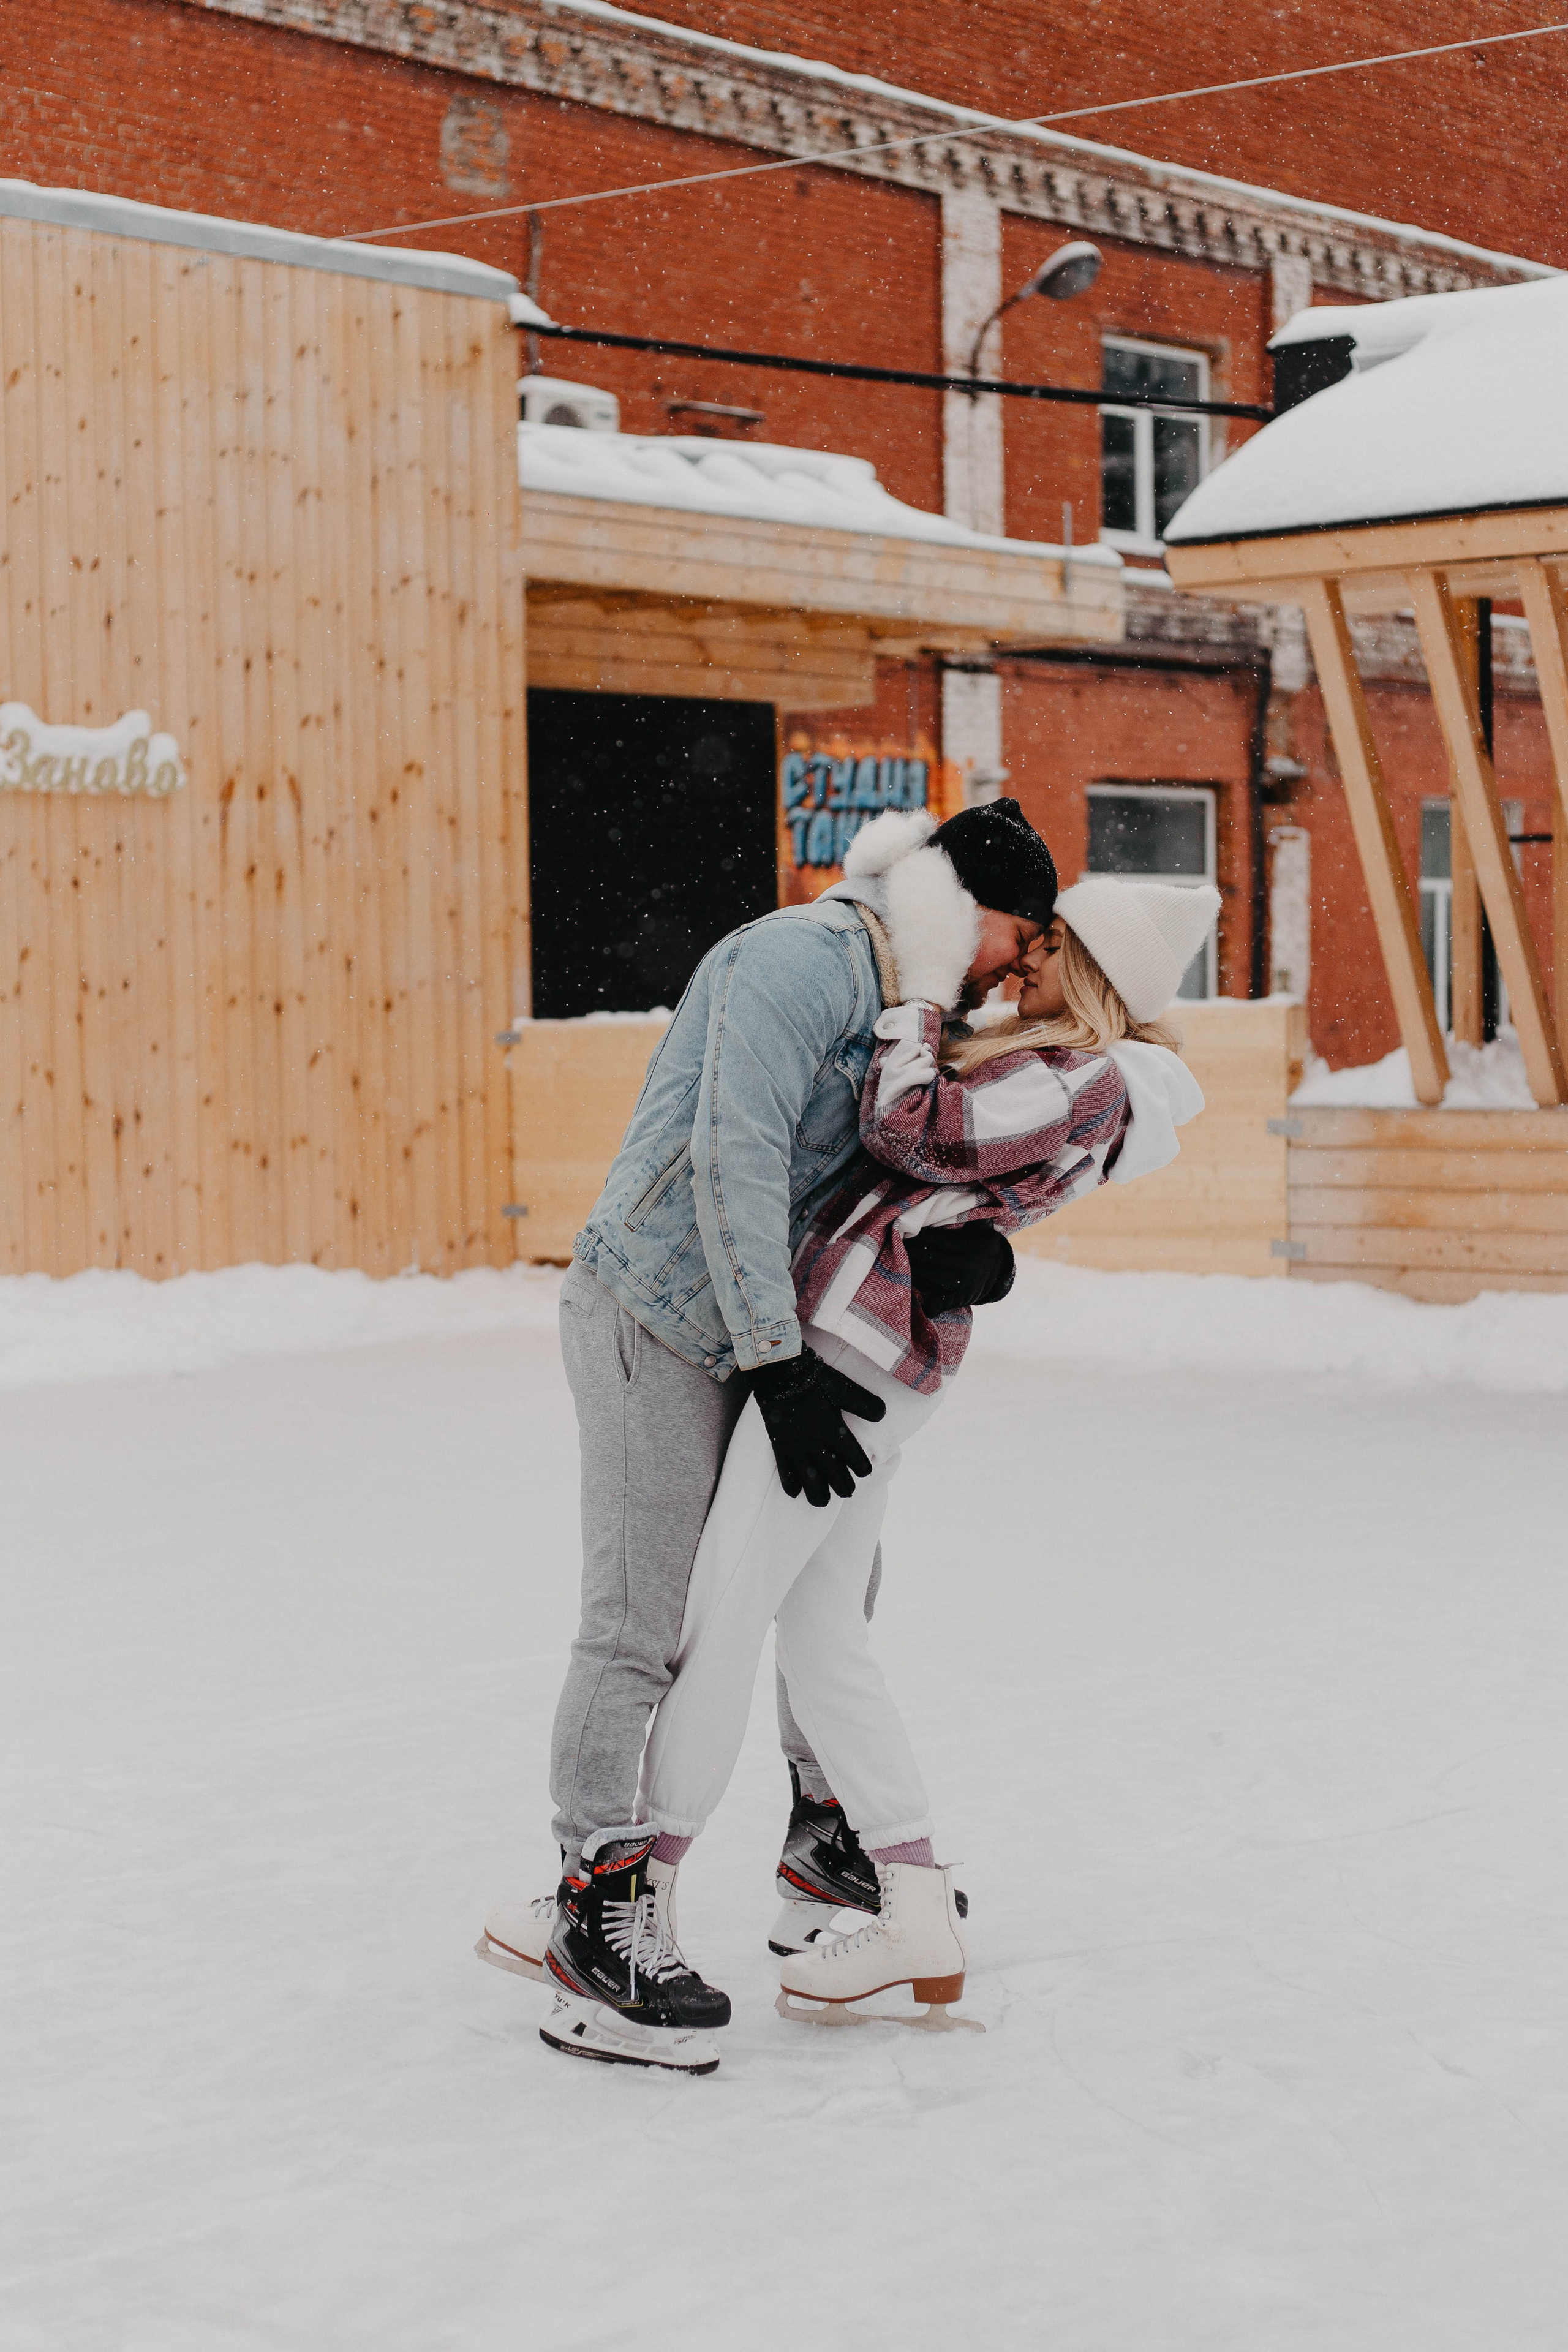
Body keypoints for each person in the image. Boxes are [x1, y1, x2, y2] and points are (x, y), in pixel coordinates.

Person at [480, 801, 1060, 2072]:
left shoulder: (911, 1016)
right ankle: (597, 1910)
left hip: (773, 1329)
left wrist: (971, 1257)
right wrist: (777, 1366)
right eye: (1008, 939)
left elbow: (898, 1170)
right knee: (644, 1621)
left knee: (822, 1591)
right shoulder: (794, 960)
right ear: (958, 905)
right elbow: (730, 1160)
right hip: (663, 1318)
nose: (1010, 972)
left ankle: (823, 1840)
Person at [635, 867, 1219, 2027]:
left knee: (724, 1616)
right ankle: (910, 1894)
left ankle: (632, 1889)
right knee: (819, 1637)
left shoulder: (1089, 1077)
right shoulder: (1061, 1067)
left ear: (1094, 972)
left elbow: (918, 1130)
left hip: (858, 1354)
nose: (1032, 957)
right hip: (871, 1343)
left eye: (1054, 945)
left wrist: (921, 990)